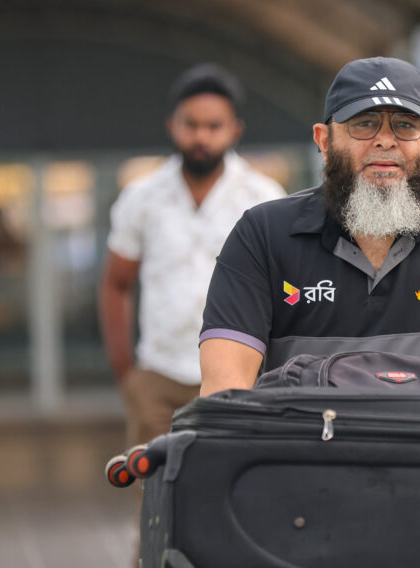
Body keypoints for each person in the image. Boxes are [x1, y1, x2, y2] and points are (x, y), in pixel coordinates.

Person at [198, 56, 420, 402]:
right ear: (324, 141)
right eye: (364, 123)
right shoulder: (262, 234)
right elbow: (224, 392)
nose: (385, 140)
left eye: (405, 124)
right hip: (310, 445)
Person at [100, 64, 286, 447]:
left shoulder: (263, 198)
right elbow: (116, 283)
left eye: (213, 126)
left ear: (234, 130)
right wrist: (127, 374)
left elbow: (285, 286)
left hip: (239, 375)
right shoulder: (142, 197)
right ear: (173, 125)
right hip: (159, 376)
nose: (201, 136)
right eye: (191, 124)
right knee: (153, 483)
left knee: (230, 478)